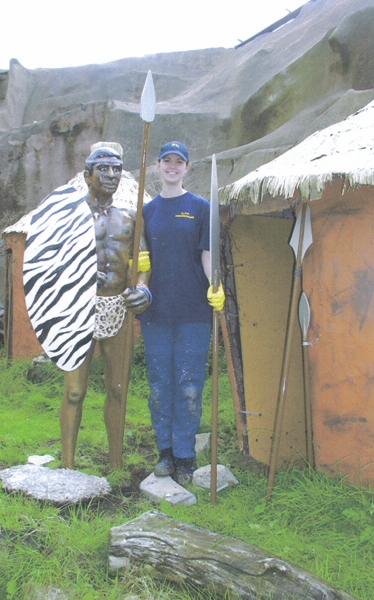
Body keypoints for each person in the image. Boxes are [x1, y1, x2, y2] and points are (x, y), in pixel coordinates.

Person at [59, 146, 151, 469]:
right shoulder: (68, 217)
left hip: (118, 307)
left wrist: (142, 287)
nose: (111, 176)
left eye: (117, 170)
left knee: (118, 389)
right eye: (104, 169)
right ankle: (67, 465)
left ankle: (115, 464)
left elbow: (142, 262)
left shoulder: (129, 216)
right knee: (74, 391)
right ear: (87, 175)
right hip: (79, 310)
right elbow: (53, 265)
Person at [138, 141, 225, 486]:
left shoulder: (200, 207)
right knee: (160, 386)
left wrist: (215, 286)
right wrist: (139, 272)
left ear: (187, 167)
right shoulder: (146, 211)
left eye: (179, 162)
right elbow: (141, 258)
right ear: (158, 165)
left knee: (189, 385)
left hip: (193, 311)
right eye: (167, 161)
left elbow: (207, 255)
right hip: (155, 311)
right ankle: (165, 452)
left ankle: (185, 455)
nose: (173, 167)